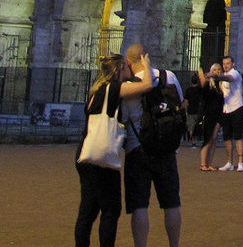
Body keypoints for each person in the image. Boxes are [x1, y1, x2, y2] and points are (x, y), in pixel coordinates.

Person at [76, 53, 151, 247]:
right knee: (111, 210)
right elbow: (146, 86)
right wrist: (146, 65)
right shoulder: (113, 88)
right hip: (103, 155)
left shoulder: (97, 90)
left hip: (85, 153)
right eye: (126, 67)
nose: (129, 69)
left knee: (89, 209)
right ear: (118, 70)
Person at [121, 44, 182, 247]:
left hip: (137, 148)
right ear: (146, 56)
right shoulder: (169, 77)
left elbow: (123, 118)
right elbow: (179, 106)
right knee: (171, 203)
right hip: (166, 147)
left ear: (129, 62)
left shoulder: (130, 85)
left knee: (139, 206)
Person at [216, 55, 243, 172]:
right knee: (227, 137)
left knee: (238, 136)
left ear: (232, 64)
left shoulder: (235, 73)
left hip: (236, 107)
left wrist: (216, 76)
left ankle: (240, 162)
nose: (225, 66)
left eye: (227, 63)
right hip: (226, 109)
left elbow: (230, 79)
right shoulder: (223, 77)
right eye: (224, 64)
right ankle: (229, 162)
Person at [198, 67, 224, 172]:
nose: (217, 72)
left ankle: (210, 163)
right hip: (209, 113)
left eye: (219, 70)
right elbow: (202, 87)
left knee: (214, 138)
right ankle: (203, 163)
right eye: (215, 70)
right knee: (208, 138)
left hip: (218, 114)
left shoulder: (221, 86)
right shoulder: (209, 84)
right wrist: (203, 76)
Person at [183, 71, 205, 148]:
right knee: (200, 125)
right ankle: (202, 138)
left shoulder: (188, 90)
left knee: (191, 127)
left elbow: (186, 102)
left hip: (190, 110)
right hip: (199, 110)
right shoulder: (200, 90)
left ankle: (193, 141)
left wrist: (186, 111)